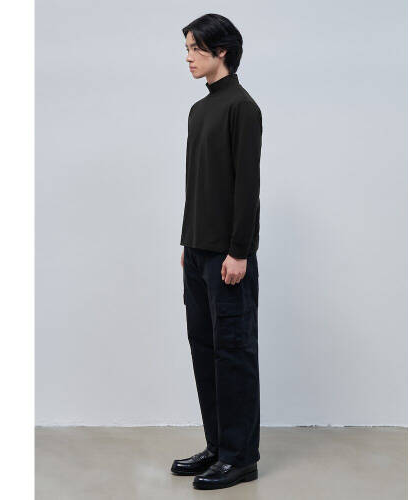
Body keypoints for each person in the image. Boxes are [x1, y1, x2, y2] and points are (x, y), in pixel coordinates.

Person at [170, 13, 262, 491]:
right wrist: (188, 241)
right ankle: (218, 445)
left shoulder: (242, 107)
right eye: (186, 48)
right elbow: (197, 184)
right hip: (198, 252)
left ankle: (240, 458)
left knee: (234, 352)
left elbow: (247, 187)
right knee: (204, 349)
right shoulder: (198, 110)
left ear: (220, 50)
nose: (187, 56)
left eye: (194, 47)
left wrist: (239, 251)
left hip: (229, 257)